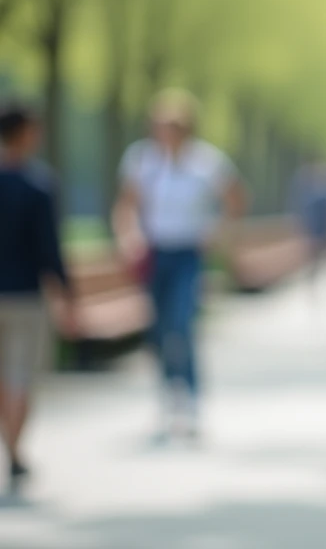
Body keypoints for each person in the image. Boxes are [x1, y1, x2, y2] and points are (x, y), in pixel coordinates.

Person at [111, 89, 244, 441]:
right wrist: (129, 237)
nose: (164, 131)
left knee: (182, 324)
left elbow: (235, 199)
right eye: (159, 125)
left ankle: (190, 399)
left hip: (187, 253)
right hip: (155, 254)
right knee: (158, 329)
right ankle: (167, 400)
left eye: (172, 125)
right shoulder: (142, 160)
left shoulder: (206, 162)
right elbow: (126, 206)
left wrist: (217, 232)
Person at [0, 102, 76, 491]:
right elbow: (50, 248)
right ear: (26, 133)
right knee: (19, 378)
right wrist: (66, 294)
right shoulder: (38, 185)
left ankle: (10, 448)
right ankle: (14, 454)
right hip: (25, 296)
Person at [289, 160, 326, 280]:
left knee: (317, 260)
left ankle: (316, 279)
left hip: (317, 232)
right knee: (318, 260)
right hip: (319, 233)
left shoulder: (316, 197)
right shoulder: (321, 197)